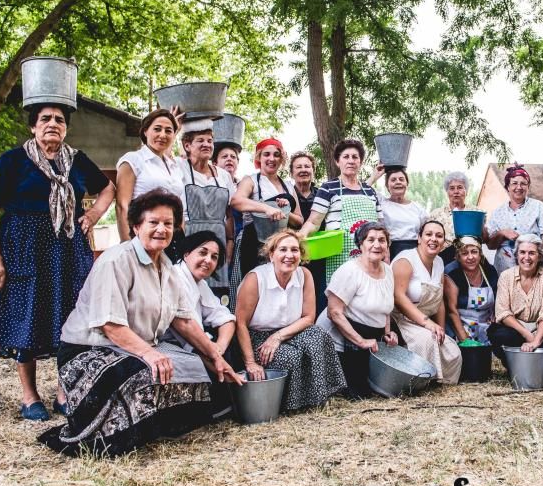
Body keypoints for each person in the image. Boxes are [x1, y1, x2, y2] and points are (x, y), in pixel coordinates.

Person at [38, 190, 242, 456]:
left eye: (168, 223)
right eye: (153, 222)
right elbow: (110, 325)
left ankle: (158, 426)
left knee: (193, 365)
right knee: (141, 371)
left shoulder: (167, 267)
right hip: (89, 349)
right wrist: (151, 355)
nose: (161, 229)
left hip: (135, 347)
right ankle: (113, 436)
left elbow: (184, 321)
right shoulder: (116, 260)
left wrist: (215, 356)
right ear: (136, 226)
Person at [0, 103, 115, 421]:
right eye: (45, 119)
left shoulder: (77, 161)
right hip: (24, 251)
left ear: (66, 129)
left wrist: (92, 214)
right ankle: (29, 396)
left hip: (68, 253)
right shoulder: (14, 160)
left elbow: (108, 188)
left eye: (59, 120)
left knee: (70, 320)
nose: (53, 123)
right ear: (33, 127)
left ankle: (64, 391)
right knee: (27, 319)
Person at [234, 230, 346, 411]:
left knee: (318, 336)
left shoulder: (304, 275)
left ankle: (321, 396)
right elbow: (240, 324)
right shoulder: (256, 279)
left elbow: (309, 317)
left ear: (301, 255)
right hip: (258, 339)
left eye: (294, 250)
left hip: (289, 332)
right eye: (283, 250)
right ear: (271, 255)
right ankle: (292, 405)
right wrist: (250, 363)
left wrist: (278, 337)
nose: (289, 255)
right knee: (290, 357)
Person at [316, 222, 398, 398]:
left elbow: (385, 307)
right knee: (359, 394)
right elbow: (334, 312)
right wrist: (360, 341)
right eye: (371, 240)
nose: (377, 245)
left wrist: (387, 333)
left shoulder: (388, 271)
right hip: (342, 339)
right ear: (361, 244)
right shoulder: (349, 271)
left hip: (368, 334)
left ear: (387, 245)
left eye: (382, 240)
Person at [169, 231, 237, 417]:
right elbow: (189, 331)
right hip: (170, 343)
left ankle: (228, 403)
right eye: (203, 253)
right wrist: (213, 352)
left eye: (214, 257)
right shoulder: (175, 277)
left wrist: (219, 347)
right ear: (186, 254)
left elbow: (225, 317)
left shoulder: (199, 283)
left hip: (195, 340)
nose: (208, 260)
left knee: (230, 339)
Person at [300, 139, 384, 284]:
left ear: (360, 162)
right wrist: (299, 236)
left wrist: (385, 253)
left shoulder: (370, 191)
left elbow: (380, 226)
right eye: (346, 157)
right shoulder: (328, 188)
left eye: (355, 157)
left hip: (370, 258)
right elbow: (313, 222)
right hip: (340, 259)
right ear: (337, 162)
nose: (351, 161)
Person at [229, 138, 302, 304]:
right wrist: (266, 208)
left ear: (281, 159)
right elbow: (236, 201)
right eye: (266, 154)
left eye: (276, 155)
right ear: (259, 158)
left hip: (281, 245)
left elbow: (299, 221)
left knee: (277, 289)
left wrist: (284, 211)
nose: (272, 159)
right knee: (251, 288)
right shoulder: (251, 180)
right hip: (252, 241)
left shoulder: (289, 186)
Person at [392, 220, 462, 384]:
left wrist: (441, 329)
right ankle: (421, 383)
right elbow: (398, 297)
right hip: (402, 320)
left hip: (427, 321)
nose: (433, 239)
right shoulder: (406, 260)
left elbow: (439, 302)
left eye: (439, 236)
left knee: (453, 352)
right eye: (428, 234)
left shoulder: (439, 262)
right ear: (419, 238)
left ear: (443, 242)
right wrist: (428, 324)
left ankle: (441, 382)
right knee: (427, 342)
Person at [175, 120, 235, 295]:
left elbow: (229, 214)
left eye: (210, 141)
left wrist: (229, 244)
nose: (207, 144)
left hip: (219, 240)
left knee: (218, 295)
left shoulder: (223, 176)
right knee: (188, 290)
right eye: (200, 140)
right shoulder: (179, 168)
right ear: (187, 145)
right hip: (189, 237)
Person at [115, 108, 185, 243]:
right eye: (157, 129)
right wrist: (127, 244)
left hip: (172, 236)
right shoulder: (133, 159)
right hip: (144, 234)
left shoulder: (174, 166)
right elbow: (122, 205)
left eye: (168, 131)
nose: (163, 135)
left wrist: (182, 237)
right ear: (145, 131)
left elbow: (180, 207)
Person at [487, 234, 543, 361]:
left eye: (532, 253)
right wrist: (527, 336)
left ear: (539, 256)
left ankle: (537, 365)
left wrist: (536, 341)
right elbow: (503, 312)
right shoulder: (506, 276)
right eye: (522, 252)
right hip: (516, 329)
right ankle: (515, 365)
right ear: (516, 255)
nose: (526, 258)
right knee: (499, 334)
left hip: (540, 327)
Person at [487, 163, 543, 273]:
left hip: (533, 266)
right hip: (505, 268)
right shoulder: (498, 212)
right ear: (508, 187)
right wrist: (501, 233)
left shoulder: (539, 207)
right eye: (514, 183)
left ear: (528, 187)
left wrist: (539, 257)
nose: (519, 187)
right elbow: (490, 246)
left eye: (523, 184)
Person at [290, 151, 328, 314]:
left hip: (319, 253)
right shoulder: (287, 195)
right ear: (291, 172)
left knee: (319, 290)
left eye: (307, 166)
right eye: (298, 167)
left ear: (313, 170)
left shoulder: (322, 194)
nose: (303, 170)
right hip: (293, 252)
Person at [443, 236, 499, 345]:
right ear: (457, 257)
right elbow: (452, 311)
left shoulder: (490, 271)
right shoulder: (452, 273)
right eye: (464, 253)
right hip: (461, 325)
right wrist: (465, 340)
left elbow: (498, 299)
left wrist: (495, 314)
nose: (470, 257)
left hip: (486, 325)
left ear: (480, 254)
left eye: (474, 252)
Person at [369, 164, 427, 259]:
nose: (398, 182)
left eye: (401, 179)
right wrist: (375, 176)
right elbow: (362, 191)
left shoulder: (418, 208)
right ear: (387, 186)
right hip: (389, 252)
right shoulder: (381, 202)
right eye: (393, 180)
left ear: (407, 184)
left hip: (415, 252)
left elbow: (425, 232)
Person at [428, 171, 480, 263]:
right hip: (443, 260)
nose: (456, 192)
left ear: (466, 191)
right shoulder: (435, 215)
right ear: (447, 192)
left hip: (471, 258)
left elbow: (485, 239)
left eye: (460, 187)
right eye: (452, 188)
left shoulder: (476, 212)